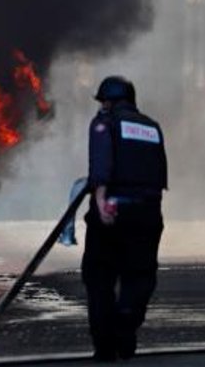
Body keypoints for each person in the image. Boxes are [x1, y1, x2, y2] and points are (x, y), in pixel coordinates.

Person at [83, 76, 167, 361]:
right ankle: (126, 328)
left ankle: (106, 345)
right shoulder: (152, 128)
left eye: (103, 101)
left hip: (113, 211)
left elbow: (101, 165)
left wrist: (101, 200)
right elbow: (157, 174)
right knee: (139, 275)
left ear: (109, 101)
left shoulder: (104, 123)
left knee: (99, 276)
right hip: (147, 213)